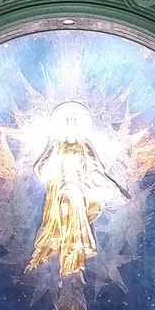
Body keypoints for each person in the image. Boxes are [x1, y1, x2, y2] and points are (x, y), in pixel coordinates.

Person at [26, 101, 130, 278]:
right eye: (68, 122)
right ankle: (64, 257)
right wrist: (50, 159)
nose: (71, 125)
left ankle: (73, 261)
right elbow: (42, 167)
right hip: (61, 188)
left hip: (79, 189)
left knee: (74, 218)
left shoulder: (84, 145)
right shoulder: (57, 145)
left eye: (74, 122)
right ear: (63, 126)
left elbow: (96, 170)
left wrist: (114, 187)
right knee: (65, 209)